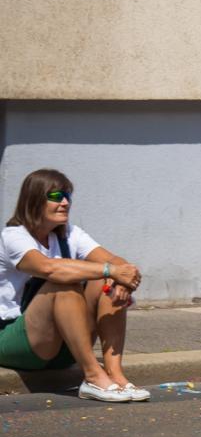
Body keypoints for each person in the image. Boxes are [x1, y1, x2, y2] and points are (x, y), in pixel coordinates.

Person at [0, 168, 147, 400]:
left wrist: (122, 279)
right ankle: (93, 376)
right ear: (34, 199)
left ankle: (115, 374)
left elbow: (115, 261)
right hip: (17, 343)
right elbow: (48, 268)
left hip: (64, 346)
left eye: (68, 196)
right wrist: (111, 271)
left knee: (106, 283)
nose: (65, 202)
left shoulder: (70, 234)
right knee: (62, 284)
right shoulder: (13, 236)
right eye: (56, 196)